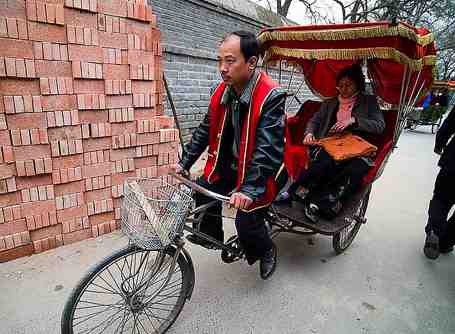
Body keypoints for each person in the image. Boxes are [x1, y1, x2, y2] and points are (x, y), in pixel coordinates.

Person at [173, 31, 286, 279]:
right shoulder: (222, 90)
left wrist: (248, 190)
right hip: (229, 165)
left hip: (259, 172)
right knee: (202, 188)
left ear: (252, 62)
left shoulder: (271, 96)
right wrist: (184, 164)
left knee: (246, 223)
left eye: (230, 61)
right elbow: (205, 129)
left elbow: (268, 151)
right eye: (219, 60)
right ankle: (213, 240)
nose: (222, 68)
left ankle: (267, 250)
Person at [277, 64, 385, 222]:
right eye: (340, 85)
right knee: (324, 161)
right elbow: (315, 121)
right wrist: (309, 133)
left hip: (356, 150)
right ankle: (294, 193)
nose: (343, 89)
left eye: (348, 85)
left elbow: (380, 125)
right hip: (330, 144)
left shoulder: (368, 102)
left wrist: (355, 120)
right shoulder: (330, 103)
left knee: (355, 170)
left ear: (358, 84)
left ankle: (318, 204)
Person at [424, 104, 455, 259]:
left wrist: (439, 144)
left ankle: (435, 231)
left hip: (453, 165)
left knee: (441, 200)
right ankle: (446, 241)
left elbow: (448, 125)